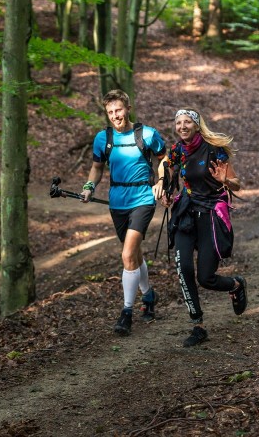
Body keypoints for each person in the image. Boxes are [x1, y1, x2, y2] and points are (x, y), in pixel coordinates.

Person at [156, 109, 247, 347]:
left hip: (210, 215)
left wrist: (224, 180)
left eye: (187, 122)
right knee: (183, 267)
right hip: (186, 213)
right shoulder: (177, 150)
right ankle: (198, 325)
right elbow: (165, 165)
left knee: (206, 278)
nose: (182, 126)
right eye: (178, 122)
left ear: (197, 126)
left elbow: (236, 184)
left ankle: (236, 285)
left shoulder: (213, 150)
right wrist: (163, 186)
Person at [80, 90, 167, 336]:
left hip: (142, 198)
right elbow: (96, 168)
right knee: (135, 255)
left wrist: (161, 180)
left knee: (127, 253)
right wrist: (89, 187)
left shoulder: (147, 134)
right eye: (110, 112)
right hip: (117, 201)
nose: (115, 116)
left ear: (128, 108)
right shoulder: (103, 138)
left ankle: (126, 312)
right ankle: (149, 296)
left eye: (118, 110)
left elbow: (165, 159)